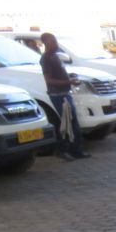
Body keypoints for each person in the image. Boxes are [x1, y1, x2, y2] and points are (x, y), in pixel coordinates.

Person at [39, 32, 90, 160]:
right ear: (45, 43)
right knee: (67, 122)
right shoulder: (46, 59)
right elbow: (49, 80)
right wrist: (69, 82)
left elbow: (59, 75)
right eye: (53, 42)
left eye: (55, 41)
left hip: (65, 94)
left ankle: (76, 150)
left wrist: (70, 78)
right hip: (58, 95)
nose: (56, 44)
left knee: (73, 122)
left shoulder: (55, 57)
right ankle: (63, 149)